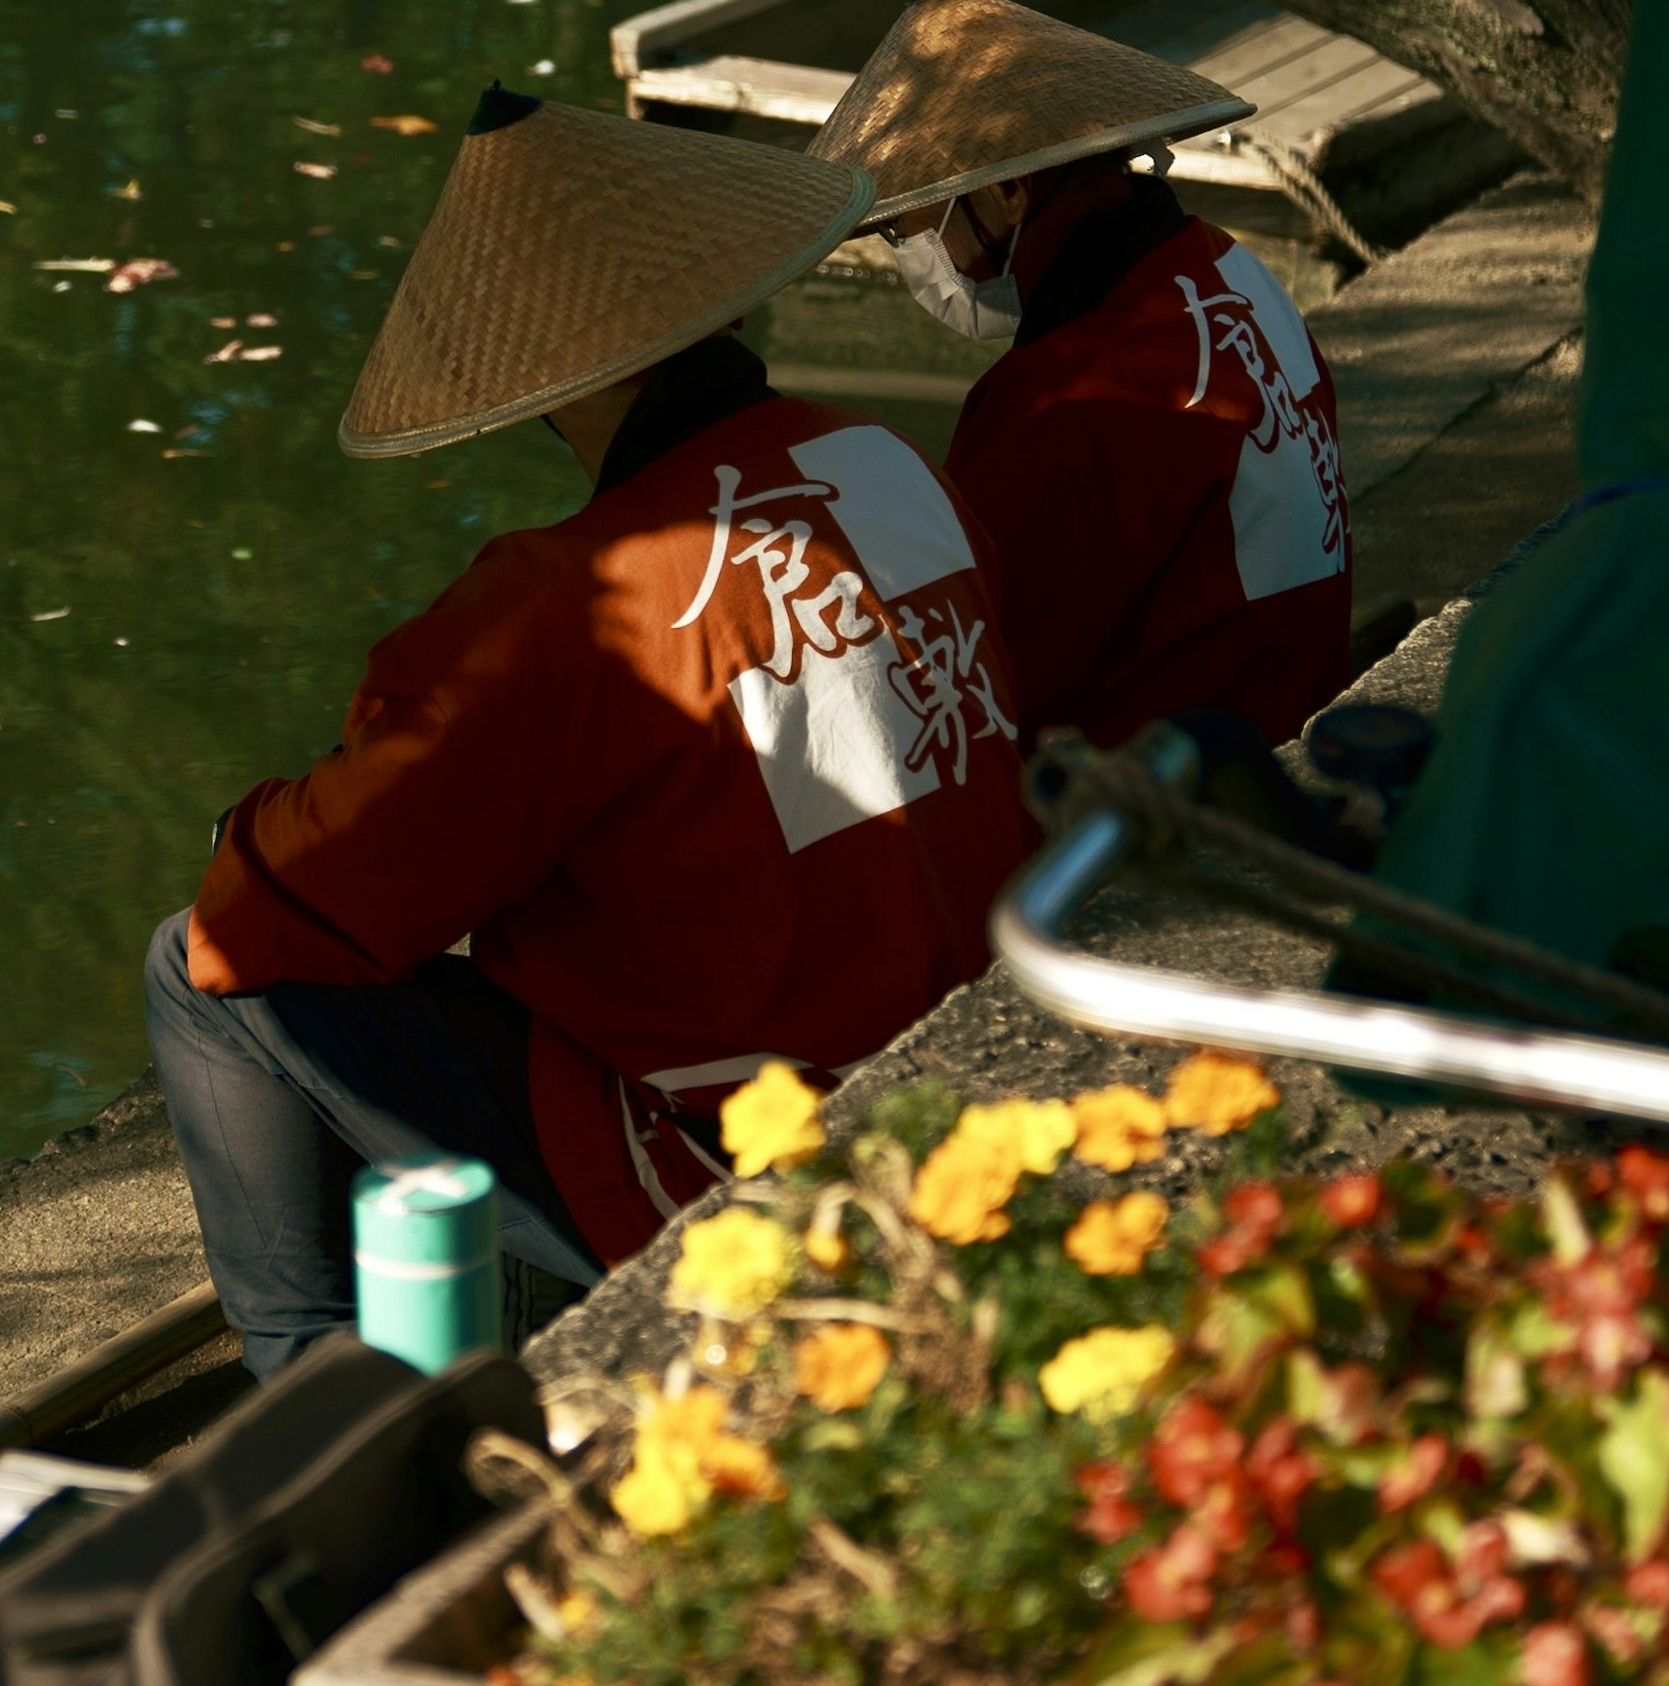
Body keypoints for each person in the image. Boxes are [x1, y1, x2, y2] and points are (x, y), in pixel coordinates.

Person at [153, 86, 1031, 1380]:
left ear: (546, 376)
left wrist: (243, 831)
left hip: (749, 1158)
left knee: (199, 965)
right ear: (720, 293)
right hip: (969, 1073)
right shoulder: (889, 460)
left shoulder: (583, 598)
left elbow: (295, 901)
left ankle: (315, 1402)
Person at [815, 0, 1352, 749]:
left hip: (1171, 809)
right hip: (1288, 716)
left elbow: (995, 683)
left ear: (1005, 190)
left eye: (910, 229)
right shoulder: (1228, 267)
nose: (914, 258)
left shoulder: (1065, 398)